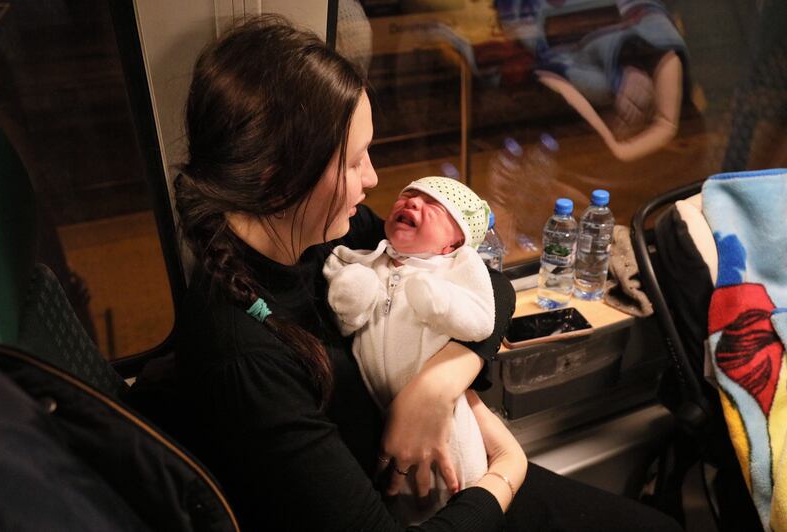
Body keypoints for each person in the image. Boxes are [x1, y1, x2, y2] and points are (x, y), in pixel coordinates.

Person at [169, 14, 682, 532]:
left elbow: (491, 287)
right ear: (277, 180)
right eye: (352, 163)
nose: (371, 180)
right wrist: (507, 469)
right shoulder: (244, 359)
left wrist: (435, 387)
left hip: (452, 474)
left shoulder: (315, 235)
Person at [323, 177, 496, 523]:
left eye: (433, 205)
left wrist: (438, 301)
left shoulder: (454, 270)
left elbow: (481, 320)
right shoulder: (364, 259)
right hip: (381, 420)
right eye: (408, 196)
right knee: (402, 505)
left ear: (453, 244)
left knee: (458, 480)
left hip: (446, 420)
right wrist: (354, 291)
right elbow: (346, 322)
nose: (413, 204)